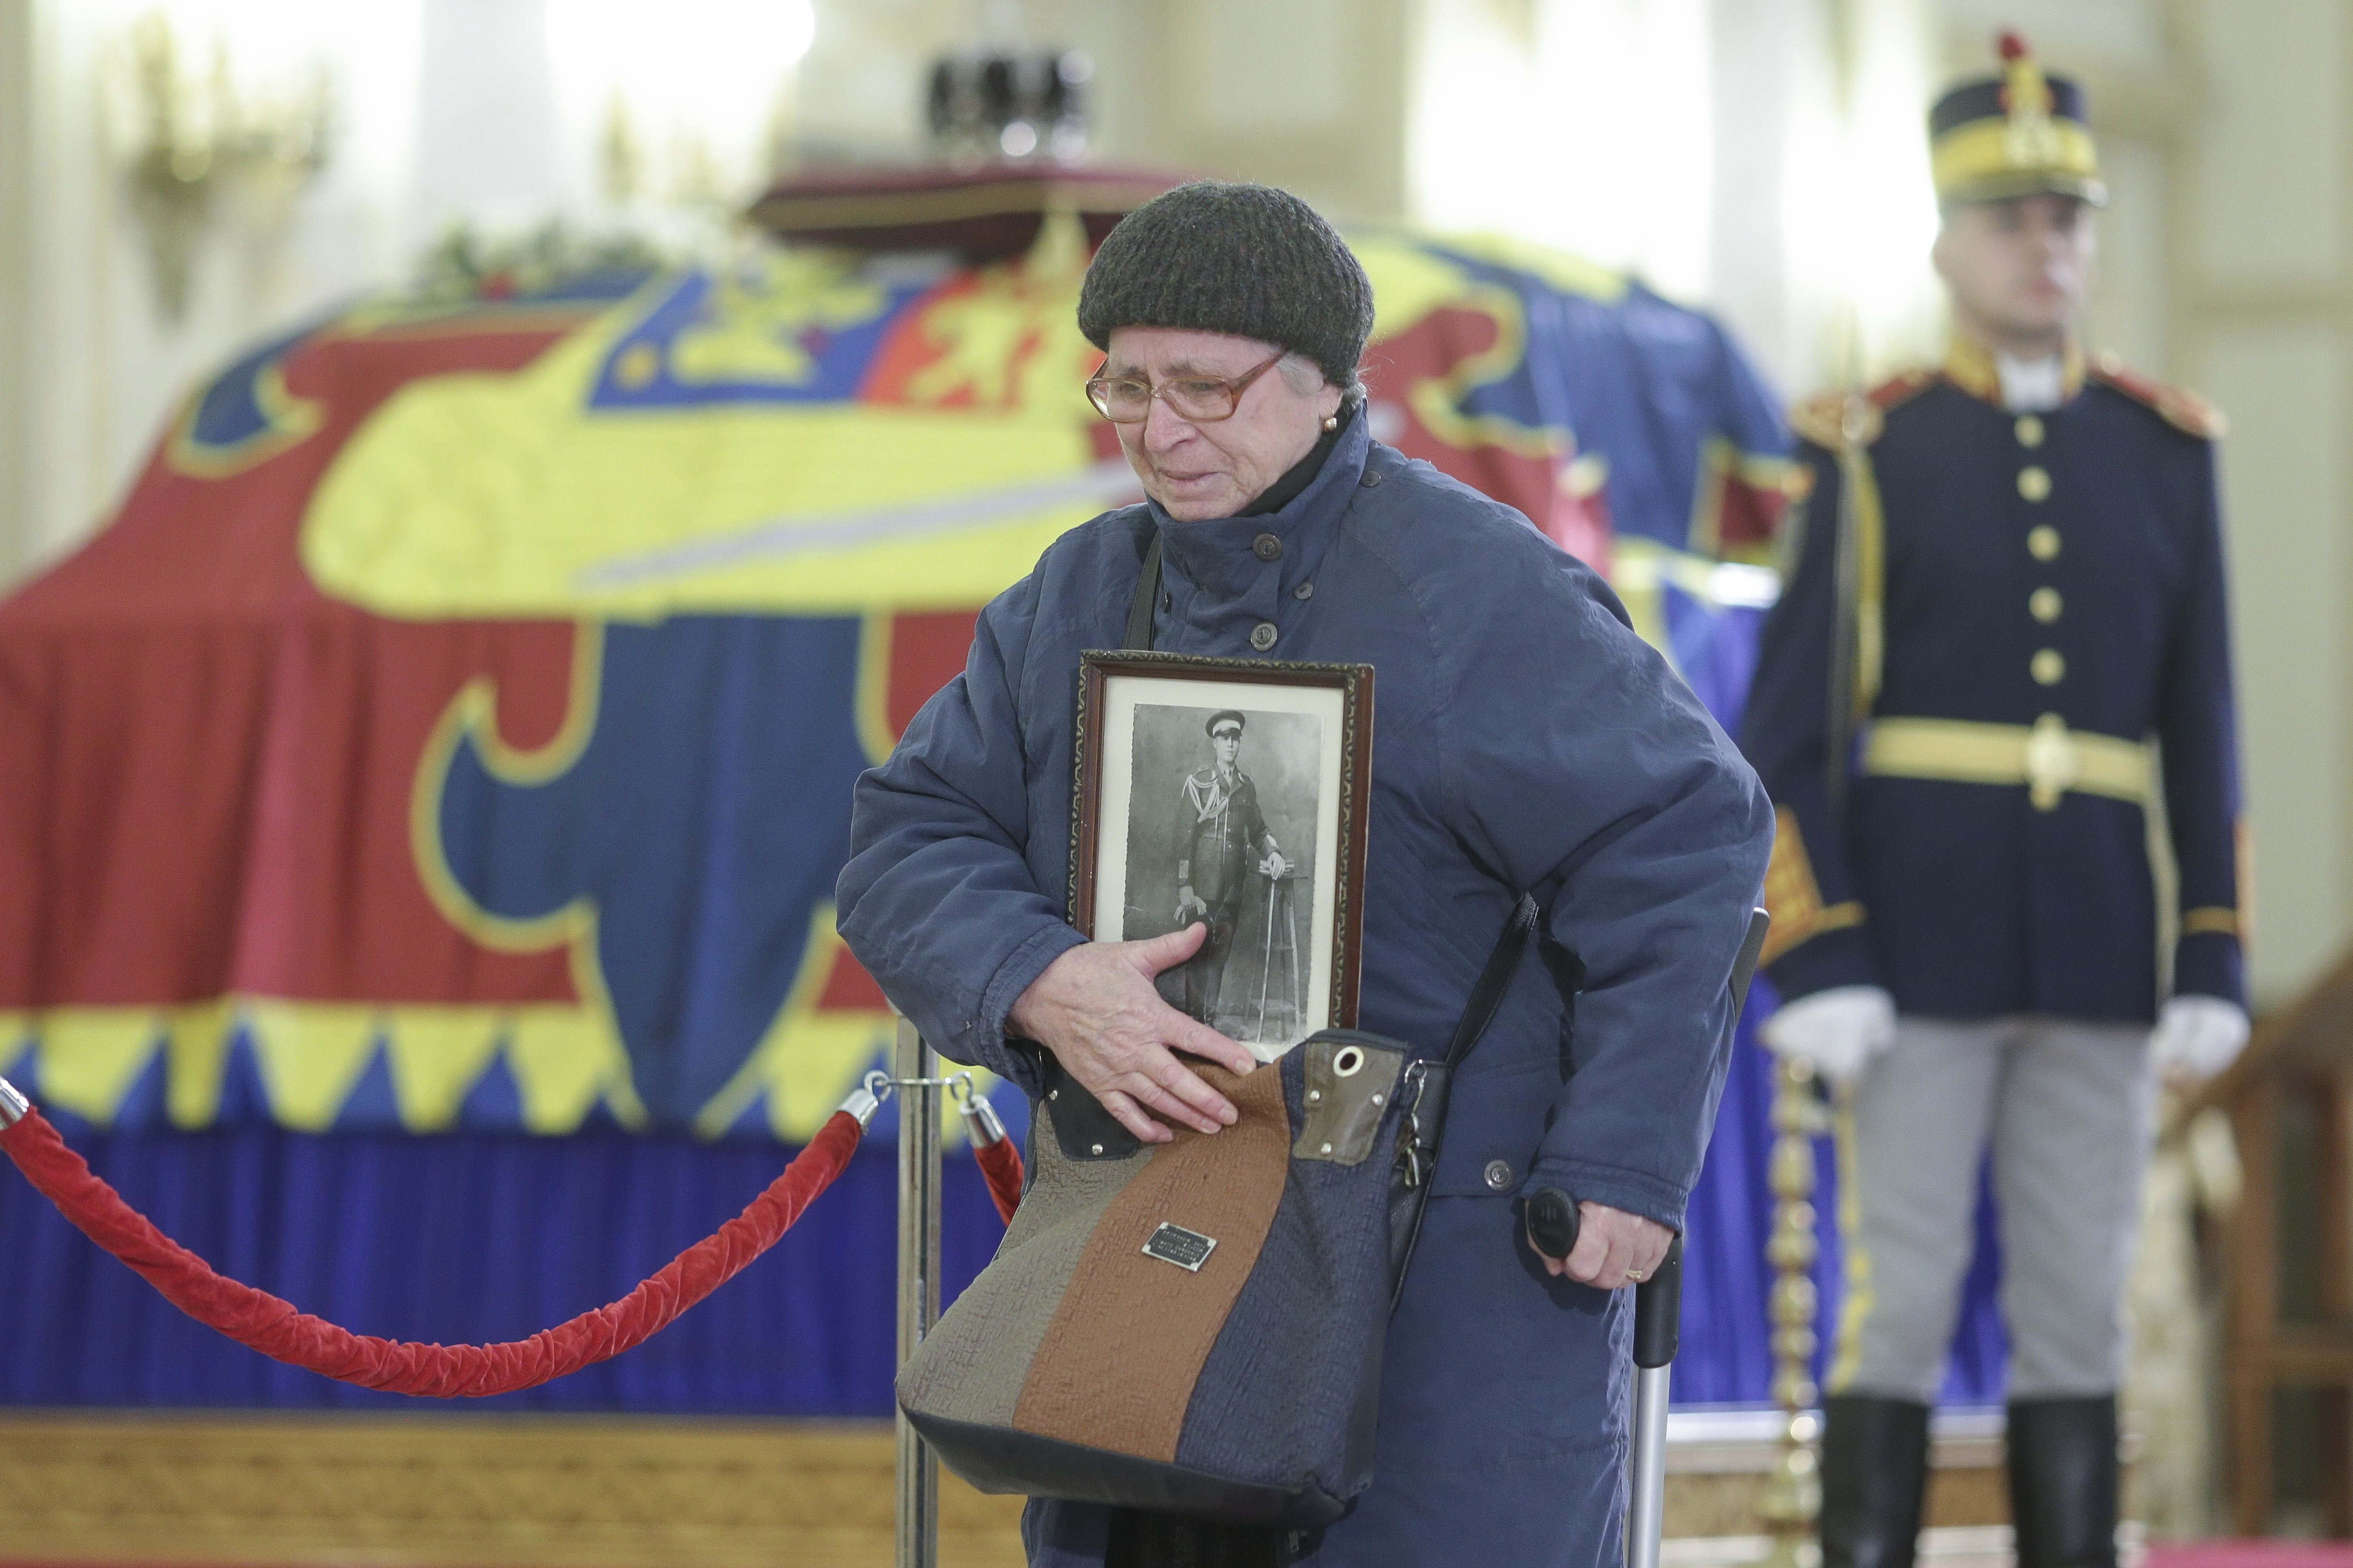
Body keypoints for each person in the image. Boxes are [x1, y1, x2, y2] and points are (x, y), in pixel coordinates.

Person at [838, 179, 1772, 1568]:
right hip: (1142, 1236)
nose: (1161, 430)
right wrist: (1037, 976)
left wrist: (1624, 1162)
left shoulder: (1480, 590)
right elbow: (910, 834)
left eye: (1206, 388)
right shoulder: (1073, 594)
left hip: (1454, 1272)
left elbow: (1686, 839)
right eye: (1129, 386)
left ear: (1332, 385)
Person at [1740, 34, 2249, 1568]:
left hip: (2097, 940)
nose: (2049, 246)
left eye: (2070, 218)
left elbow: (2197, 720)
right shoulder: (1875, 445)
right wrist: (1814, 945)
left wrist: (2211, 946)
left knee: (2078, 1303)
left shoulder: (2162, 453)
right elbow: (1787, 728)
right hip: (1914, 944)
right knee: (1897, 1286)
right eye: (2014, 219)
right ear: (1946, 242)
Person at [1174, 709, 1289, 1028]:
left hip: (1232, 891)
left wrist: (1274, 853)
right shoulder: (1198, 784)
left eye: (1235, 739)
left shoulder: (1245, 787)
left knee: (1218, 961)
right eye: (1224, 738)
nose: (1230, 745)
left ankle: (1207, 1022)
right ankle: (1193, 1027)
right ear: (1214, 743)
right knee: (1197, 958)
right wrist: (1185, 886)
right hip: (1201, 890)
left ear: (1239, 743)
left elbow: (1259, 831)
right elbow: (1184, 838)